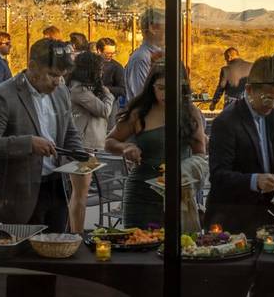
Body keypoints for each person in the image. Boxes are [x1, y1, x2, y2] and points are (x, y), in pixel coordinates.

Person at [0, 38, 86, 297]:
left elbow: (69, 132)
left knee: (50, 267)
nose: (58, 82)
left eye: (61, 76)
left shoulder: (60, 94)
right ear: (32, 67)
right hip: (19, 196)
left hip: (55, 190)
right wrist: (27, 144)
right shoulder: (2, 96)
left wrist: (81, 153)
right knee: (22, 272)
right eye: (52, 74)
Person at [205, 56, 274, 237]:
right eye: (266, 99)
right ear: (249, 90)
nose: (272, 105)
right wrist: (254, 180)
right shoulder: (226, 122)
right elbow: (218, 176)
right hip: (232, 215)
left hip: (268, 215)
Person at [105, 61, 206, 228]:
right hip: (141, 193)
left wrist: (184, 172)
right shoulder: (140, 112)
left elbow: (200, 154)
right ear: (151, 86)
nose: (166, 94)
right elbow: (109, 141)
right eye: (161, 88)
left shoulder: (191, 112)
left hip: (179, 193)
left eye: (172, 87)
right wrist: (126, 148)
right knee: (139, 245)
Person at [67, 51, 115, 232]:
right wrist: (108, 95)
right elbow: (103, 110)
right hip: (83, 148)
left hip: (88, 147)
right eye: (100, 69)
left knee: (81, 192)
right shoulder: (79, 90)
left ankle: (75, 230)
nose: (102, 73)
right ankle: (77, 232)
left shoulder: (84, 89)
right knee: (81, 193)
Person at [125, 7, 165, 100]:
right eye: (166, 26)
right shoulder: (141, 58)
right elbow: (142, 97)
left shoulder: (161, 54)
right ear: (153, 28)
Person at [96, 37, 125, 124]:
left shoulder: (117, 67)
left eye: (113, 53)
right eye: (108, 53)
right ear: (98, 51)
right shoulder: (90, 64)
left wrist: (104, 89)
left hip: (110, 107)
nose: (111, 55)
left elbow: (123, 90)